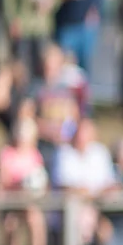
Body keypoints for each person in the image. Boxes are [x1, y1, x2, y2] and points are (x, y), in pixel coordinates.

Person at [54, 119, 120, 245]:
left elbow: (111, 187)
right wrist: (92, 192)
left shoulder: (99, 154)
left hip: (97, 216)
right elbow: (68, 189)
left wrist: (96, 208)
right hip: (68, 222)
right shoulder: (63, 154)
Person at [0, 115, 51, 245]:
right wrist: (19, 186)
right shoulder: (7, 153)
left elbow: (41, 181)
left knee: (35, 218)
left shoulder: (35, 155)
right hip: (11, 203)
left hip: (29, 203)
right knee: (11, 224)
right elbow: (2, 182)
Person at [33, 43, 84, 177]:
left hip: (64, 146)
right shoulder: (35, 88)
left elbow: (75, 117)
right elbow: (27, 117)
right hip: (41, 145)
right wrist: (47, 131)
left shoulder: (67, 90)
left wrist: (65, 134)